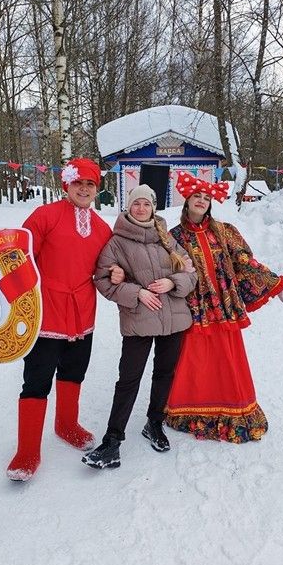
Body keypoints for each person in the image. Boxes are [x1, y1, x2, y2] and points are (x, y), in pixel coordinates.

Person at [0, 158, 122, 481]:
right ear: (67, 185)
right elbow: (17, 258)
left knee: (74, 372)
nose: (84, 189)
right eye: (78, 183)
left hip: (82, 314)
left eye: (90, 184)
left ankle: (66, 425)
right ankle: (27, 451)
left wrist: (117, 272)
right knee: (36, 381)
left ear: (96, 189)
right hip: (44, 314)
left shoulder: (103, 228)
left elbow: (108, 265)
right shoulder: (45, 216)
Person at [165, 171, 283, 443]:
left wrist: (271, 282)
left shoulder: (224, 231)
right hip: (193, 307)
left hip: (223, 306)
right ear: (187, 200)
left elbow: (244, 261)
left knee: (227, 358)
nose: (201, 201)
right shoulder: (173, 236)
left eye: (206, 198)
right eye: (197, 196)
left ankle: (232, 407)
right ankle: (191, 409)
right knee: (194, 359)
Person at [82, 184, 197, 469]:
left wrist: (172, 282)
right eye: (136, 203)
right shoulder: (116, 243)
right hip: (139, 319)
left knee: (164, 373)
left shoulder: (166, 238)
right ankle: (112, 440)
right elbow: (103, 281)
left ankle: (154, 423)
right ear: (128, 207)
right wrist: (137, 293)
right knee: (129, 379)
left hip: (174, 318)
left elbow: (191, 273)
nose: (141, 208)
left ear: (153, 208)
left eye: (147, 204)